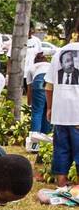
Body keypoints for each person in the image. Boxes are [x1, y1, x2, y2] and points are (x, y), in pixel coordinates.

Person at [46, 43, 79, 184]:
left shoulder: (59, 51)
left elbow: (48, 85)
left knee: (60, 147)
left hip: (60, 112)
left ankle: (61, 181)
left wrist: (50, 108)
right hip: (77, 112)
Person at [26, 49, 53, 143]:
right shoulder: (50, 65)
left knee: (37, 111)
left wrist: (29, 103)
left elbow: (29, 88)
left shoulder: (32, 68)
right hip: (50, 82)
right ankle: (46, 137)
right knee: (48, 110)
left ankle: (35, 139)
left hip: (39, 80)